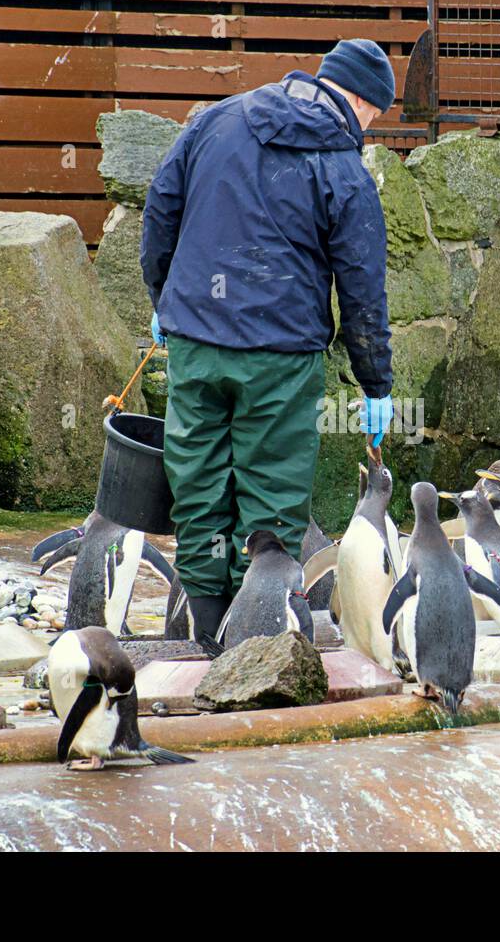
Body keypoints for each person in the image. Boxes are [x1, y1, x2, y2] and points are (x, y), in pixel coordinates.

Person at [140, 39, 396, 647]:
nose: (368, 129)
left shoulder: (217, 120)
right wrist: (377, 384)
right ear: (358, 100)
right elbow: (363, 288)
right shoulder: (341, 169)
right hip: (281, 357)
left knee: (199, 487)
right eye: (373, 117)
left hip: (197, 341)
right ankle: (256, 645)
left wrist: (165, 301)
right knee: (270, 500)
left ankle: (203, 636)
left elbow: (160, 212)